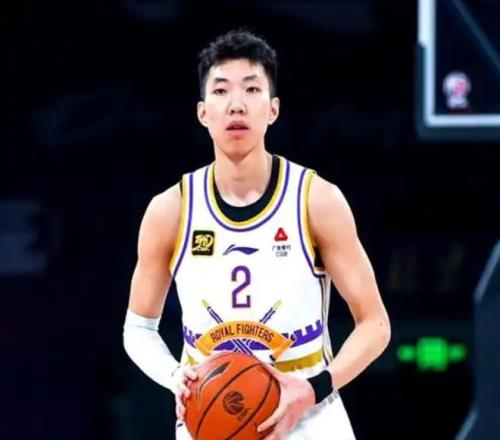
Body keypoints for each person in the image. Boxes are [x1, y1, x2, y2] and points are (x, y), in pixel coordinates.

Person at [123, 29, 391, 440]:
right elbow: (138, 329)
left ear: (273, 109)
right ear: (202, 112)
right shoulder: (170, 210)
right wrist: (176, 377)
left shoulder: (316, 200)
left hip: (308, 418)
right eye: (221, 91)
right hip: (210, 418)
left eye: (251, 89)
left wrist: (316, 387)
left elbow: (375, 324)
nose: (236, 104)